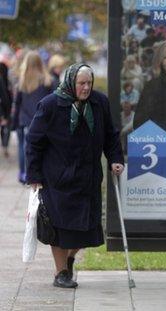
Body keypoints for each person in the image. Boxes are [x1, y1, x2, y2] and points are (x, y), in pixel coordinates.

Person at [25, 63, 124, 288]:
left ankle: (69, 260)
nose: (86, 88)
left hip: (88, 178)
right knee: (59, 229)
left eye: (89, 83)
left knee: (87, 229)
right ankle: (61, 273)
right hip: (58, 179)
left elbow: (111, 135)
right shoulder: (50, 105)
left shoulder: (99, 103)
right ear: (71, 82)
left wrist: (116, 159)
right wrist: (34, 176)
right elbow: (33, 141)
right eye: (82, 83)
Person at [13, 51, 54, 183]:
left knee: (23, 146)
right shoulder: (47, 80)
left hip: (24, 119)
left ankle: (23, 173)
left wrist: (14, 122)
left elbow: (17, 103)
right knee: (39, 147)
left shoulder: (22, 81)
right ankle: (36, 172)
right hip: (40, 119)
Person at [0, 62, 12, 157]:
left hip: (4, 108)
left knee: (5, 128)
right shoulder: (4, 80)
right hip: (4, 109)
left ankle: (4, 145)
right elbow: (4, 97)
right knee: (6, 127)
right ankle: (5, 145)